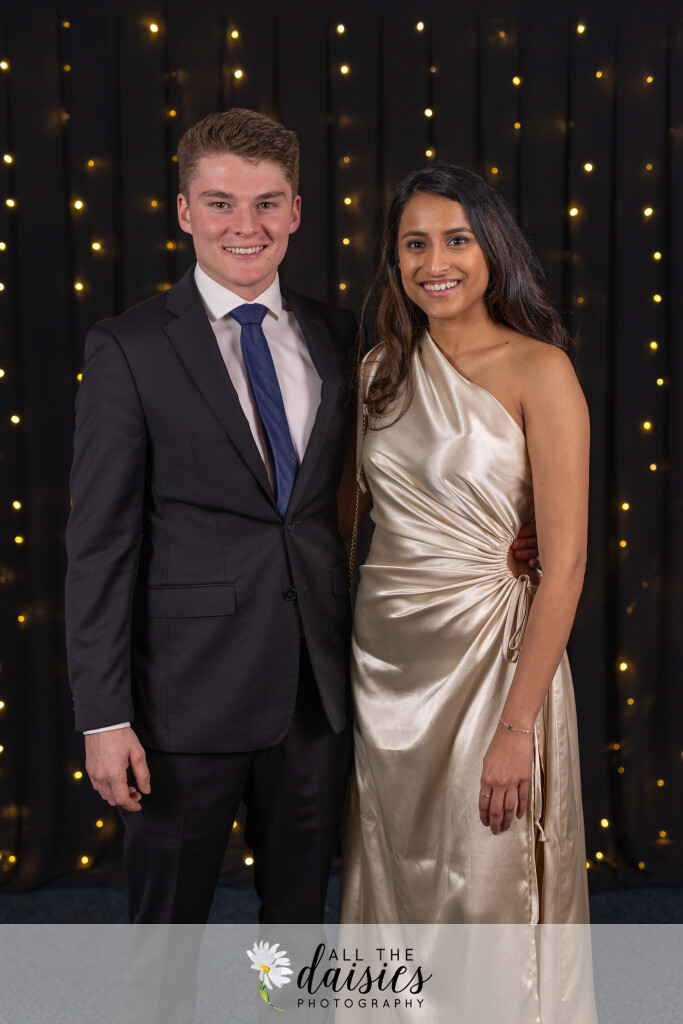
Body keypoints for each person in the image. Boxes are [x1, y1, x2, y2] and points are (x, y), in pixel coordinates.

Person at [65, 110, 540, 926]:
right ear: (184, 212)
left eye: (265, 204)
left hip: (318, 698)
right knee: (165, 941)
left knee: (293, 935)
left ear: (293, 211)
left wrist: (509, 533)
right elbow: (100, 548)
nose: (243, 226)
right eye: (220, 203)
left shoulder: (342, 337)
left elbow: (407, 467)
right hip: (184, 703)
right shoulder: (128, 347)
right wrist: (104, 718)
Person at [341, 164, 591, 928]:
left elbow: (565, 566)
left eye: (456, 240)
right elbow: (348, 519)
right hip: (383, 662)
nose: (434, 262)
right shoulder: (377, 372)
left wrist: (516, 729)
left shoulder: (539, 369)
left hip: (491, 661)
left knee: (485, 885)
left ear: (491, 249)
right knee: (394, 873)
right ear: (395, 260)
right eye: (414, 244)